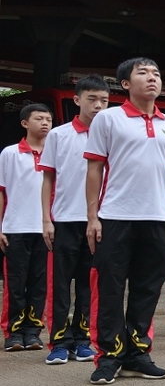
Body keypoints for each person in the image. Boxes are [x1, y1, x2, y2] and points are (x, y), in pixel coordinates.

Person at [83, 58, 165, 384]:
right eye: (143, 73)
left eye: (156, 73)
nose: (152, 78)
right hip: (115, 217)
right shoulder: (109, 119)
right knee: (109, 289)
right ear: (125, 83)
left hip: (157, 220)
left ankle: (138, 354)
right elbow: (94, 169)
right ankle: (108, 357)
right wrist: (93, 217)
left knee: (147, 289)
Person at [39, 75, 111, 364]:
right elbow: (47, 179)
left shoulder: (112, 137)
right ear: (77, 100)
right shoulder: (59, 135)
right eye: (92, 99)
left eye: (104, 101)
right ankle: (58, 341)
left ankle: (81, 339)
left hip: (100, 221)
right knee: (59, 285)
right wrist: (46, 219)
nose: (98, 106)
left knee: (87, 283)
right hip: (65, 220)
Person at [0, 103, 54, 352]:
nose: (45, 123)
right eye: (39, 118)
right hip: (16, 226)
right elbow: (2, 192)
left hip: (46, 230)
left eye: (48, 119)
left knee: (39, 282)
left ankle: (33, 332)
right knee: (15, 282)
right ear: (25, 123)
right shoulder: (10, 153)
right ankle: (13, 332)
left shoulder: (55, 154)